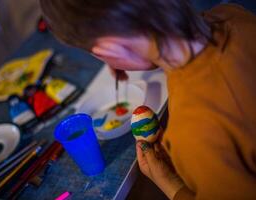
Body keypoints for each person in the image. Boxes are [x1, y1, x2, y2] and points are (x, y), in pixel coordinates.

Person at [39, 0, 256, 199]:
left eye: (99, 54)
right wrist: (127, 53)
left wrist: (170, 185)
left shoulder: (195, 132)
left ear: (111, 48)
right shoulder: (231, 14)